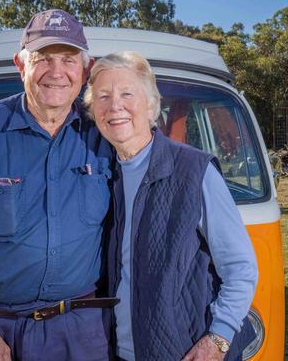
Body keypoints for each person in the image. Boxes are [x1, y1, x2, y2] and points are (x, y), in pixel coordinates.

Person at [0, 9, 117, 361]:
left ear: (85, 70)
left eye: (69, 60)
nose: (56, 72)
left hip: (86, 331)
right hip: (1, 330)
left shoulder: (103, 132)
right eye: (43, 58)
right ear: (20, 63)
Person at [83, 51, 258, 361]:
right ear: (92, 109)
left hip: (184, 351)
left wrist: (218, 339)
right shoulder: (98, 173)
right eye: (103, 96)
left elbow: (241, 267)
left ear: (151, 104)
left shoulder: (194, 170)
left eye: (127, 93)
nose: (115, 106)